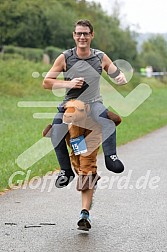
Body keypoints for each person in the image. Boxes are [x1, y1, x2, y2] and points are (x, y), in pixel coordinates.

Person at [43, 19, 127, 230]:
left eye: (86, 34)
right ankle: (65, 171)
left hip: (93, 107)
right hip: (70, 109)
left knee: (105, 121)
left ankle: (111, 156)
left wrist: (120, 78)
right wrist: (68, 83)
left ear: (91, 35)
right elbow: (47, 82)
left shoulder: (100, 57)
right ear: (74, 35)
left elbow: (116, 73)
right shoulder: (65, 57)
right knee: (55, 132)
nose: (82, 37)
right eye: (78, 33)